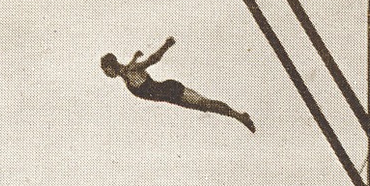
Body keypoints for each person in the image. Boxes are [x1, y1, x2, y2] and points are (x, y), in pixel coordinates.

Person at [101, 37, 256, 132]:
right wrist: (134, 57)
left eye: (106, 70)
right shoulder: (127, 73)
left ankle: (239, 116)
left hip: (171, 90)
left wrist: (166, 45)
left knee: (205, 104)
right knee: (204, 106)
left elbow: (152, 60)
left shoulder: (130, 71)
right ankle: (238, 116)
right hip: (170, 96)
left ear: (110, 67)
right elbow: (130, 68)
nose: (106, 74)